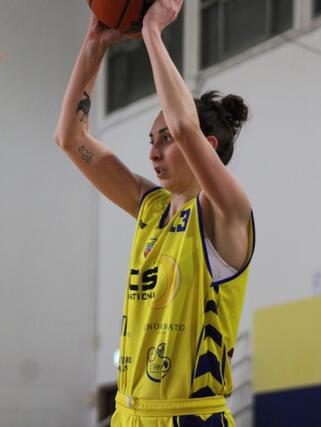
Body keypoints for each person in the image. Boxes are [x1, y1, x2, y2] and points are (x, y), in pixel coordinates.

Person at [54, 1, 255, 425]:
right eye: (152, 140)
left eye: (165, 140)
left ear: (206, 148)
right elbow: (70, 137)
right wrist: (94, 44)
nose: (153, 152)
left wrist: (152, 31)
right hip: (129, 413)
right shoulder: (151, 207)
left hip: (190, 415)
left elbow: (184, 126)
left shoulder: (227, 211)